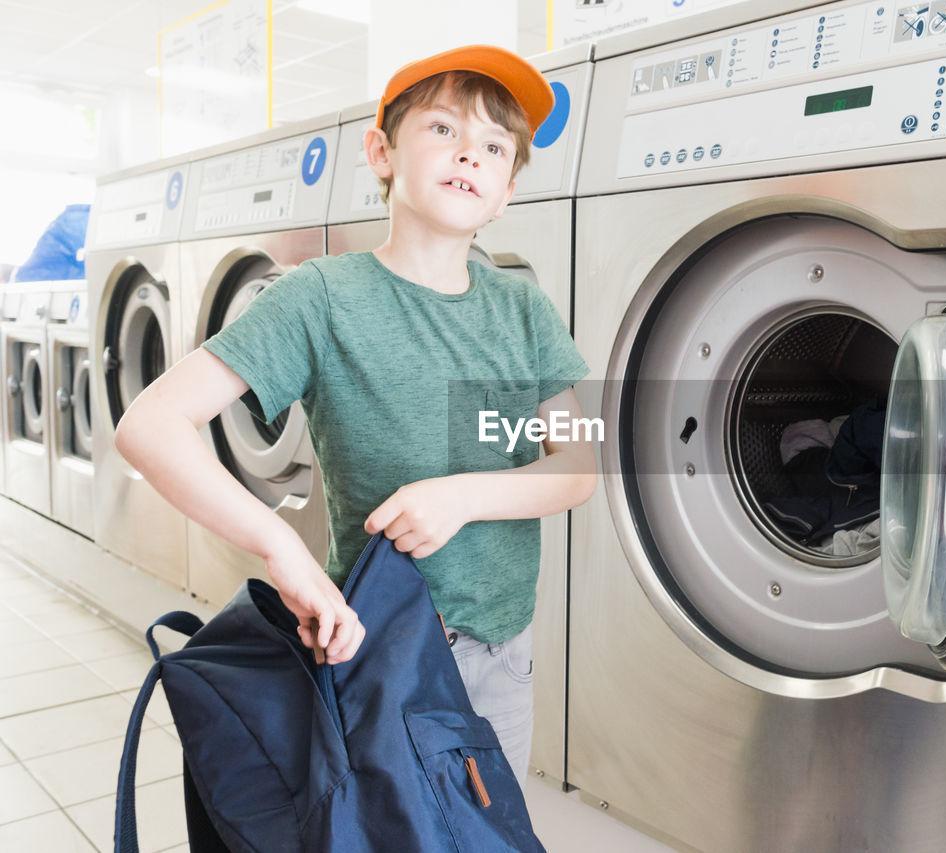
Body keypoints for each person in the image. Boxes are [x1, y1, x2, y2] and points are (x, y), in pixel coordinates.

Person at [114, 45, 596, 779]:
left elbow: (580, 466)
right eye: (442, 129)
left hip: (503, 651)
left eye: (495, 146)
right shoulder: (322, 297)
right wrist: (282, 551)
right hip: (377, 644)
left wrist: (463, 495)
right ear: (381, 152)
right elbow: (149, 427)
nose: (469, 153)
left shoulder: (522, 308)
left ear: (505, 192)